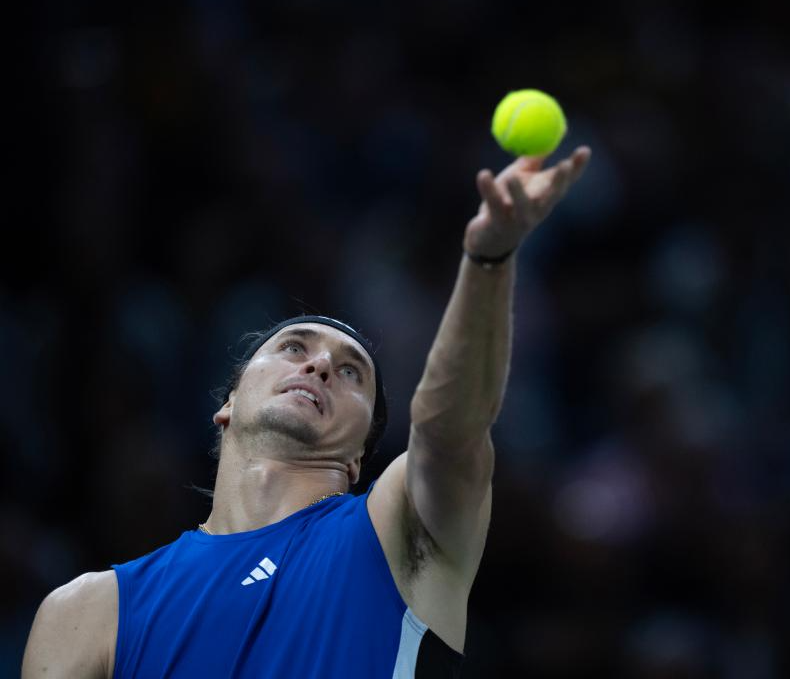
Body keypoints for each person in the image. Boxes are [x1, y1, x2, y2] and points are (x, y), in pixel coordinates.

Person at [21, 145, 591, 678]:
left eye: (352, 373)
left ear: (359, 455)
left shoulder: (390, 534)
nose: (319, 365)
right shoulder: (86, 611)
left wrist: (488, 260)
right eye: (294, 347)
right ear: (227, 403)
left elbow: (450, 431)